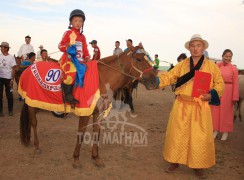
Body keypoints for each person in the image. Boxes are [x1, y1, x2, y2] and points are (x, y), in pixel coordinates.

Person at [157, 34, 224, 178]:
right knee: (177, 135)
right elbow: (170, 76)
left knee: (199, 137)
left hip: (200, 106)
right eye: (193, 46)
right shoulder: (182, 65)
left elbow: (219, 84)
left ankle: (198, 164)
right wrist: (157, 81)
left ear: (203, 47)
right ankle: (174, 161)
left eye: (198, 45)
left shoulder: (212, 66)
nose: (195, 49)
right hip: (182, 104)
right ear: (189, 48)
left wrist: (211, 95)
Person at [58, 9, 89, 105]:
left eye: (80, 21)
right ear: (71, 22)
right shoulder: (67, 33)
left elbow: (85, 49)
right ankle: (68, 95)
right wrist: (66, 47)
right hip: (68, 60)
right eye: (76, 21)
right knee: (72, 73)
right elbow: (60, 45)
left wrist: (87, 56)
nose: (78, 23)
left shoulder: (83, 37)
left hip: (80, 61)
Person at [211, 49, 239, 140]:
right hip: (217, 90)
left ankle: (225, 132)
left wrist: (235, 96)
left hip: (228, 91)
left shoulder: (233, 69)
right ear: (222, 56)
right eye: (226, 56)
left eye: (229, 57)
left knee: (226, 112)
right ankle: (215, 130)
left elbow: (235, 83)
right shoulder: (217, 66)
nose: (228, 58)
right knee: (215, 110)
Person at [0, 42, 17, 116]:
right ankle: (0, 111)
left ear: (6, 48)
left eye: (2, 47)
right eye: (1, 47)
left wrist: (12, 80)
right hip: (0, 78)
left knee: (9, 95)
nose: (1, 48)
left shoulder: (11, 57)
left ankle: (10, 110)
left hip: (8, 79)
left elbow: (13, 69)